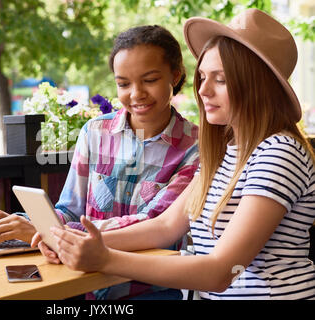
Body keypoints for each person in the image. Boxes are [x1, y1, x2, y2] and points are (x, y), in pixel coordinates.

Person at [43, 9, 315, 300]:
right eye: (202, 77)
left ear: (258, 85)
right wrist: (76, 242)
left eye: (220, 80)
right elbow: (165, 227)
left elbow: (221, 271)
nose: (203, 90)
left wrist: (105, 258)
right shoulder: (225, 153)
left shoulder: (279, 152)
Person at [0, 25, 199, 300]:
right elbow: (70, 211)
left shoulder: (196, 147)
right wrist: (22, 223)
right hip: (81, 285)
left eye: (150, 80)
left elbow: (156, 227)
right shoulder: (94, 132)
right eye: (123, 84)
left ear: (176, 75)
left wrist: (53, 234)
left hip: (147, 289)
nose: (136, 93)